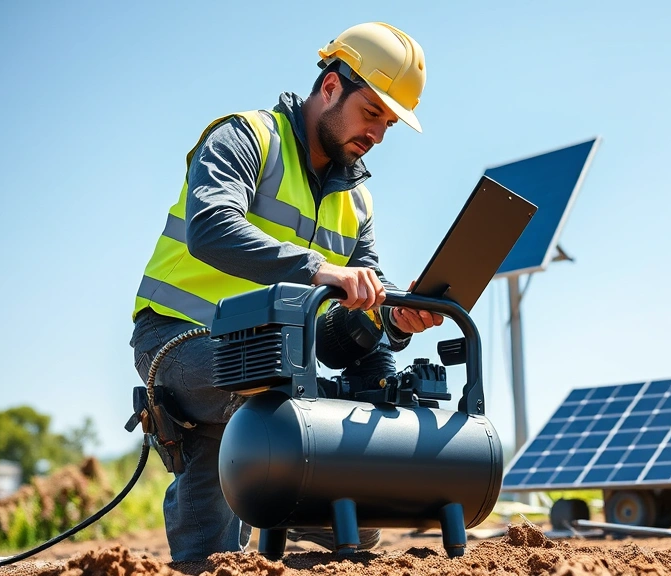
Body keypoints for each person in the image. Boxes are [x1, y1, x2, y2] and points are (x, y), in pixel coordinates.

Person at [128, 22, 442, 561]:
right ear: (330, 87)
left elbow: (349, 319)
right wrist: (319, 269)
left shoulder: (357, 201)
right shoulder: (247, 136)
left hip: (272, 362)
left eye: (388, 124)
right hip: (177, 340)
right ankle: (295, 492)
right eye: (372, 114)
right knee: (263, 399)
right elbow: (210, 226)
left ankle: (308, 502)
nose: (377, 136)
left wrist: (392, 316)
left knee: (234, 541)